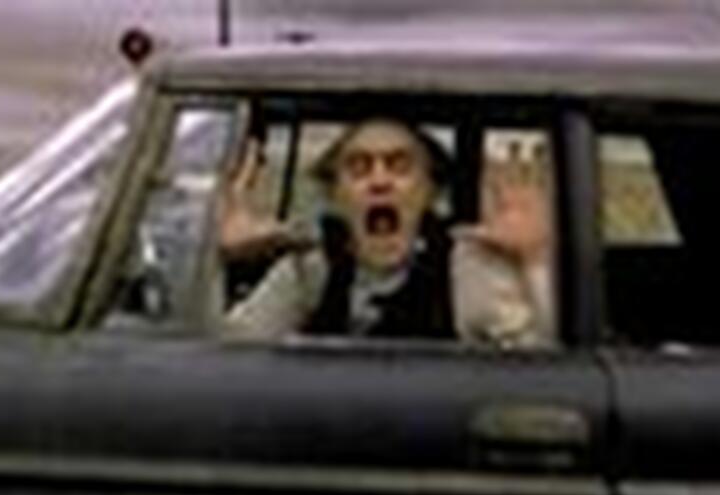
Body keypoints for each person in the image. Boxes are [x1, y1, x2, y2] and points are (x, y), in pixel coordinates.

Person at [218, 117, 554, 348]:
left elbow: (543, 368)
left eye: (400, 166)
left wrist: (535, 261)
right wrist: (216, 258)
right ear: (336, 195)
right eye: (359, 168)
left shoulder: (466, 268)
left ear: (429, 190)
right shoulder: (310, 268)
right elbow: (224, 357)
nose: (379, 181)